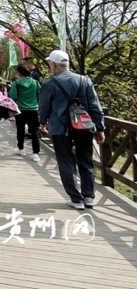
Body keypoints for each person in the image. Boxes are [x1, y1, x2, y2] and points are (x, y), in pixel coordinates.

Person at [39, 50, 105, 210]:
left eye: (50, 63)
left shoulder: (49, 83)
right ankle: (88, 197)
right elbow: (95, 105)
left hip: (60, 128)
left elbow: (44, 106)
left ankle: (76, 199)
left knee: (65, 160)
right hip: (83, 125)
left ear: (54, 64)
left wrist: (42, 123)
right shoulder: (84, 80)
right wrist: (100, 127)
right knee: (86, 159)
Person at [10, 64, 41, 161]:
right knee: (35, 130)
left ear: (19, 72)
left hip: (20, 109)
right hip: (33, 109)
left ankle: (21, 148)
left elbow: (13, 96)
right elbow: (39, 94)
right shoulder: (35, 82)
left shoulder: (16, 83)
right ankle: (36, 153)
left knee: (20, 129)